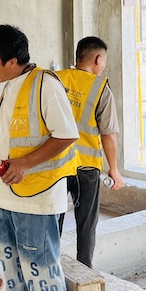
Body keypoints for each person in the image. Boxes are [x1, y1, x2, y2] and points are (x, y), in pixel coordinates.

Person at [0, 24, 79, 291]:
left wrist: (24, 163)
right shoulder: (7, 84)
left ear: (12, 61)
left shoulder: (45, 84)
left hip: (37, 198)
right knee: (13, 271)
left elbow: (67, 134)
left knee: (41, 272)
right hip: (5, 196)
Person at [57, 36, 124, 268]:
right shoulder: (100, 88)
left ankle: (51, 266)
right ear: (98, 59)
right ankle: (84, 269)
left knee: (53, 218)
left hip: (55, 164)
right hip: (86, 166)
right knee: (86, 224)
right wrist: (114, 169)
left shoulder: (55, 79)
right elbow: (108, 134)